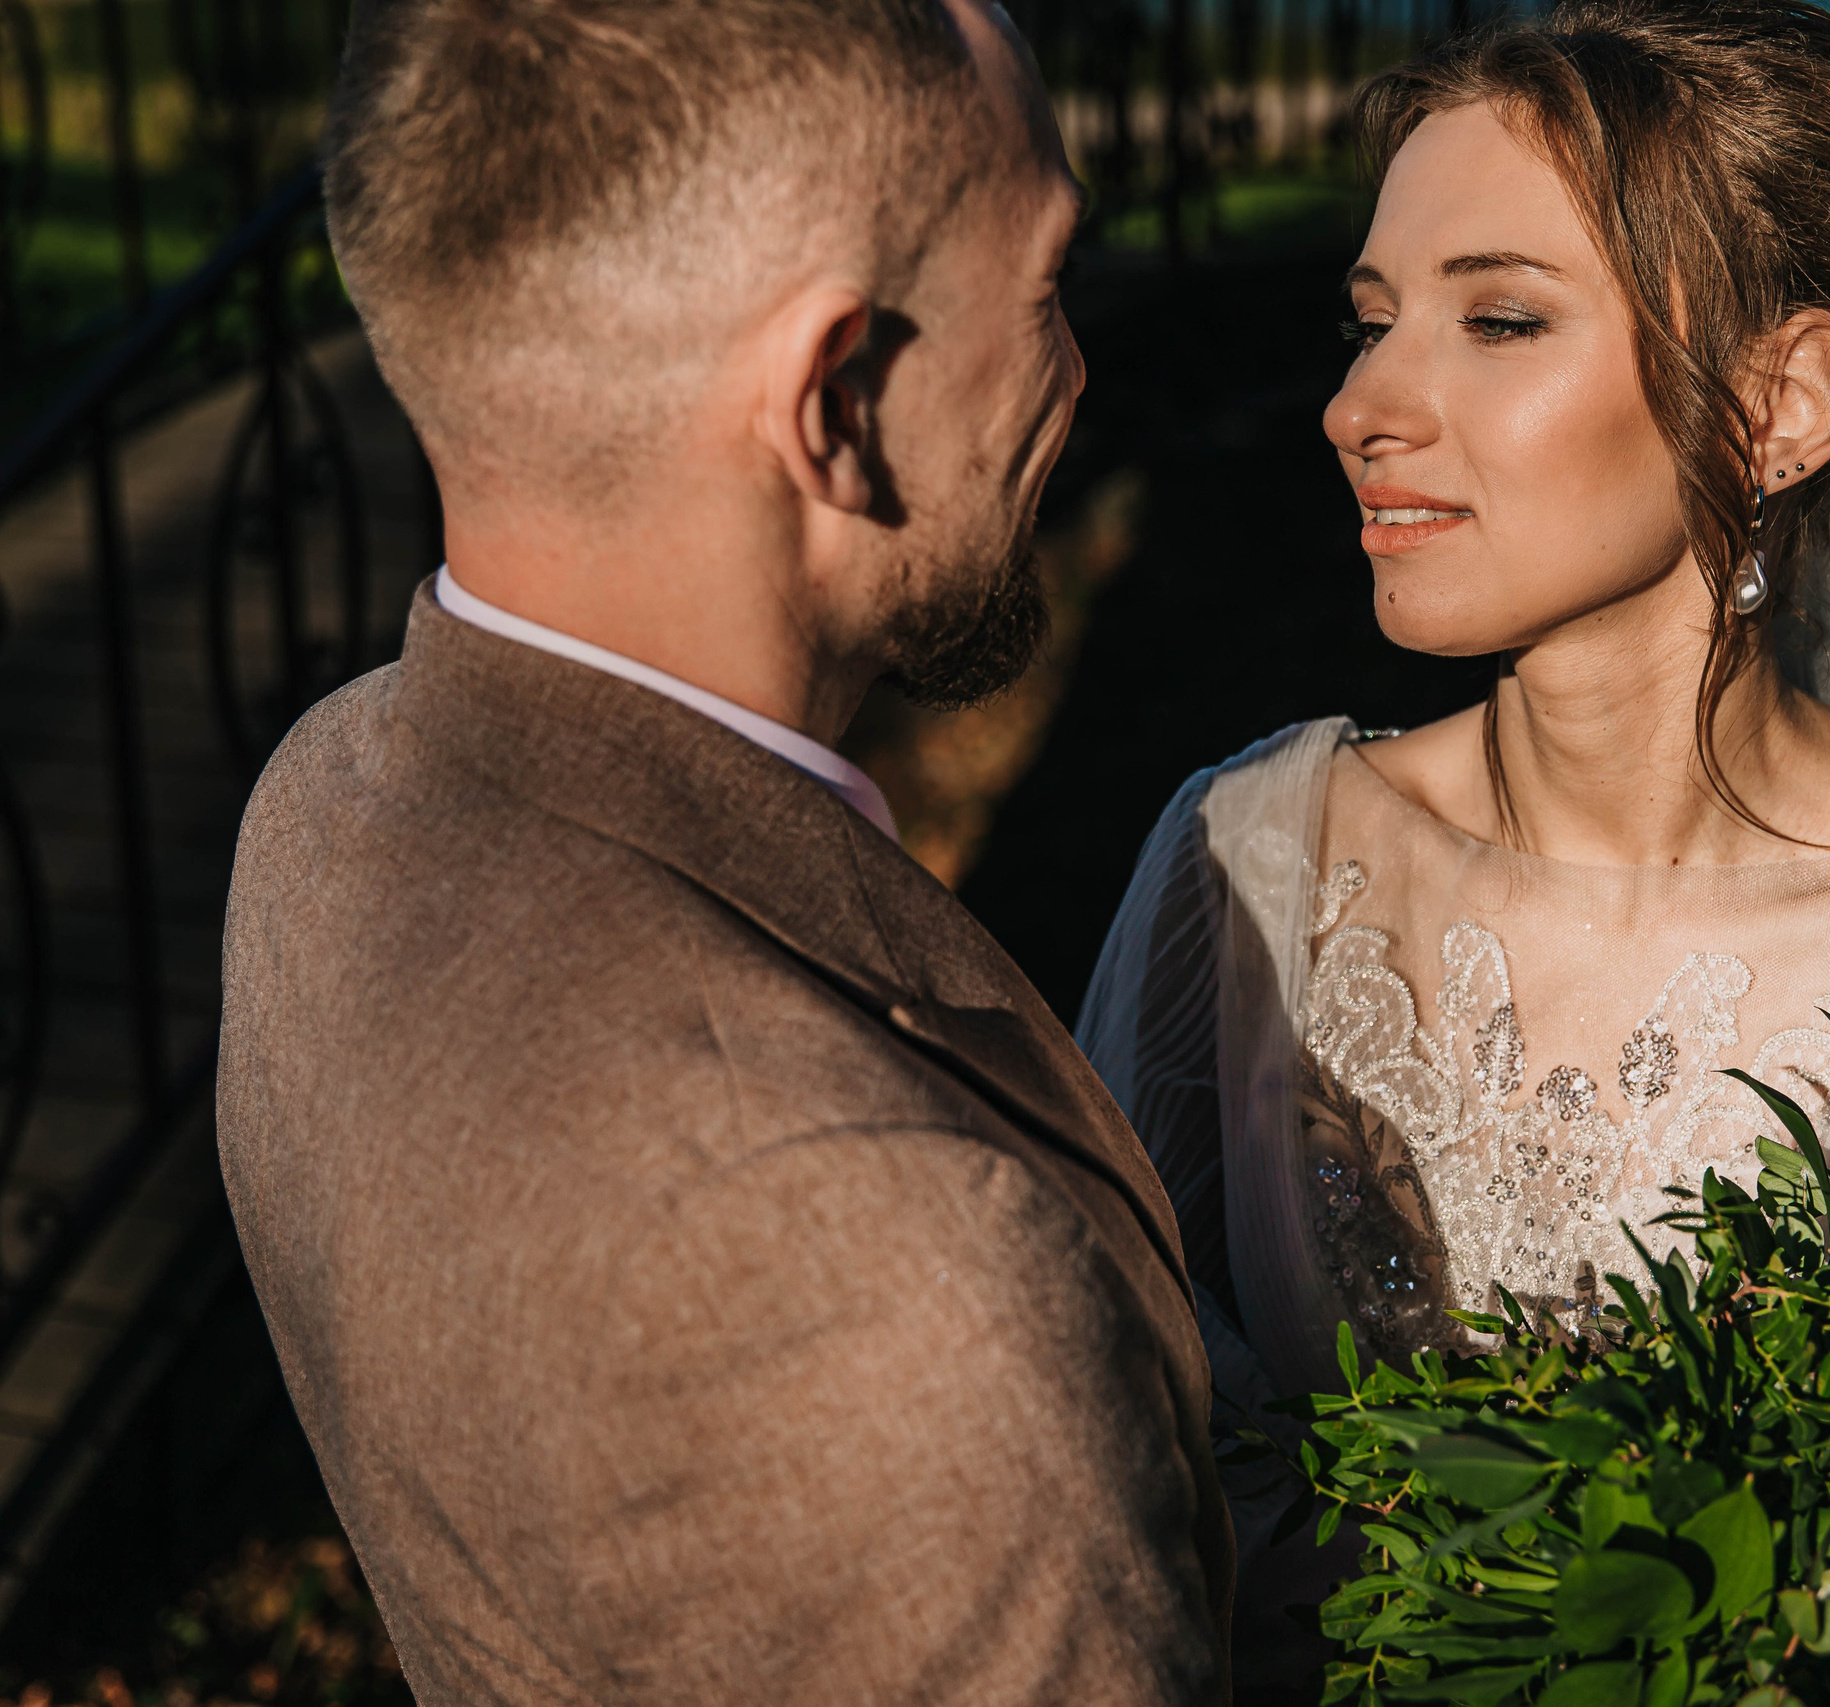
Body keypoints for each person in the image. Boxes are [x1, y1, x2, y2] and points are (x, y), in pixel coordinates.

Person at [1078, 0, 1830, 1666]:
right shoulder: (1248, 865)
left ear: (1780, 406)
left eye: (1496, 319)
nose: (1362, 406)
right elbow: (1103, 1465)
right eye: (1371, 320)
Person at [215, 1, 1229, 1701]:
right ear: (835, 402)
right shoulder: (898, 1292)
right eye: (1047, 287)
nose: (1073, 370)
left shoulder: (319, 806)